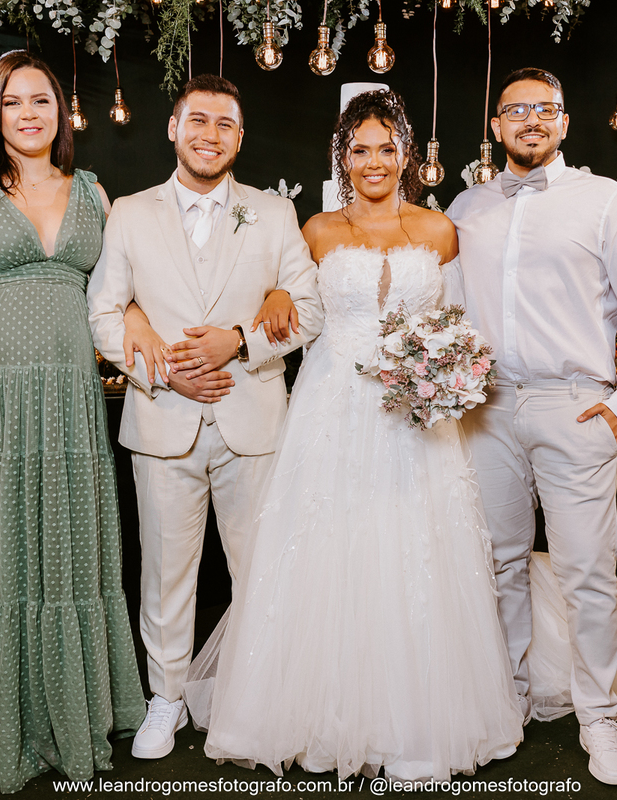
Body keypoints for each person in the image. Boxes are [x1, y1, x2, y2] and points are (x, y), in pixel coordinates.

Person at [194, 89, 525, 782]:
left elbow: (460, 320)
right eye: (360, 150)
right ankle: (318, 713)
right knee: (329, 545)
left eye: (386, 148)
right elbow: (291, 297)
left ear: (407, 155)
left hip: (416, 415)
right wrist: (277, 294)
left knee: (414, 548)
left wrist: (448, 370)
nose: (373, 161)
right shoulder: (315, 230)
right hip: (332, 407)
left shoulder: (439, 230)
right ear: (342, 159)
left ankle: (413, 721)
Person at [0, 50, 145, 793]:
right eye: (12, 101)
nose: (28, 114)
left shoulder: (93, 193)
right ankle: (0, 724)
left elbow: (121, 295)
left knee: (67, 562)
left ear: (60, 111)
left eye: (41, 100)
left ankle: (68, 721)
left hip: (68, 408)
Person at [86, 74, 324, 761]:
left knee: (261, 570)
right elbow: (104, 312)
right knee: (164, 574)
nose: (210, 135)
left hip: (255, 425)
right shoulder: (129, 213)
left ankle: (264, 698)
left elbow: (311, 311)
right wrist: (166, 369)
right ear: (173, 128)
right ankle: (166, 699)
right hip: (163, 421)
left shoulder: (274, 213)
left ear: (240, 138)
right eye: (198, 121)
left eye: (225, 124)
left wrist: (240, 343)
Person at [446, 67, 617, 786]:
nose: (531, 120)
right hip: (486, 407)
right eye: (516, 110)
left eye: (545, 108)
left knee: (586, 571)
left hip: (574, 406)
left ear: (565, 123)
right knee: (500, 563)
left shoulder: (605, 202)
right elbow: (447, 304)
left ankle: (597, 718)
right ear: (496, 126)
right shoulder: (467, 206)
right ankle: (509, 699)